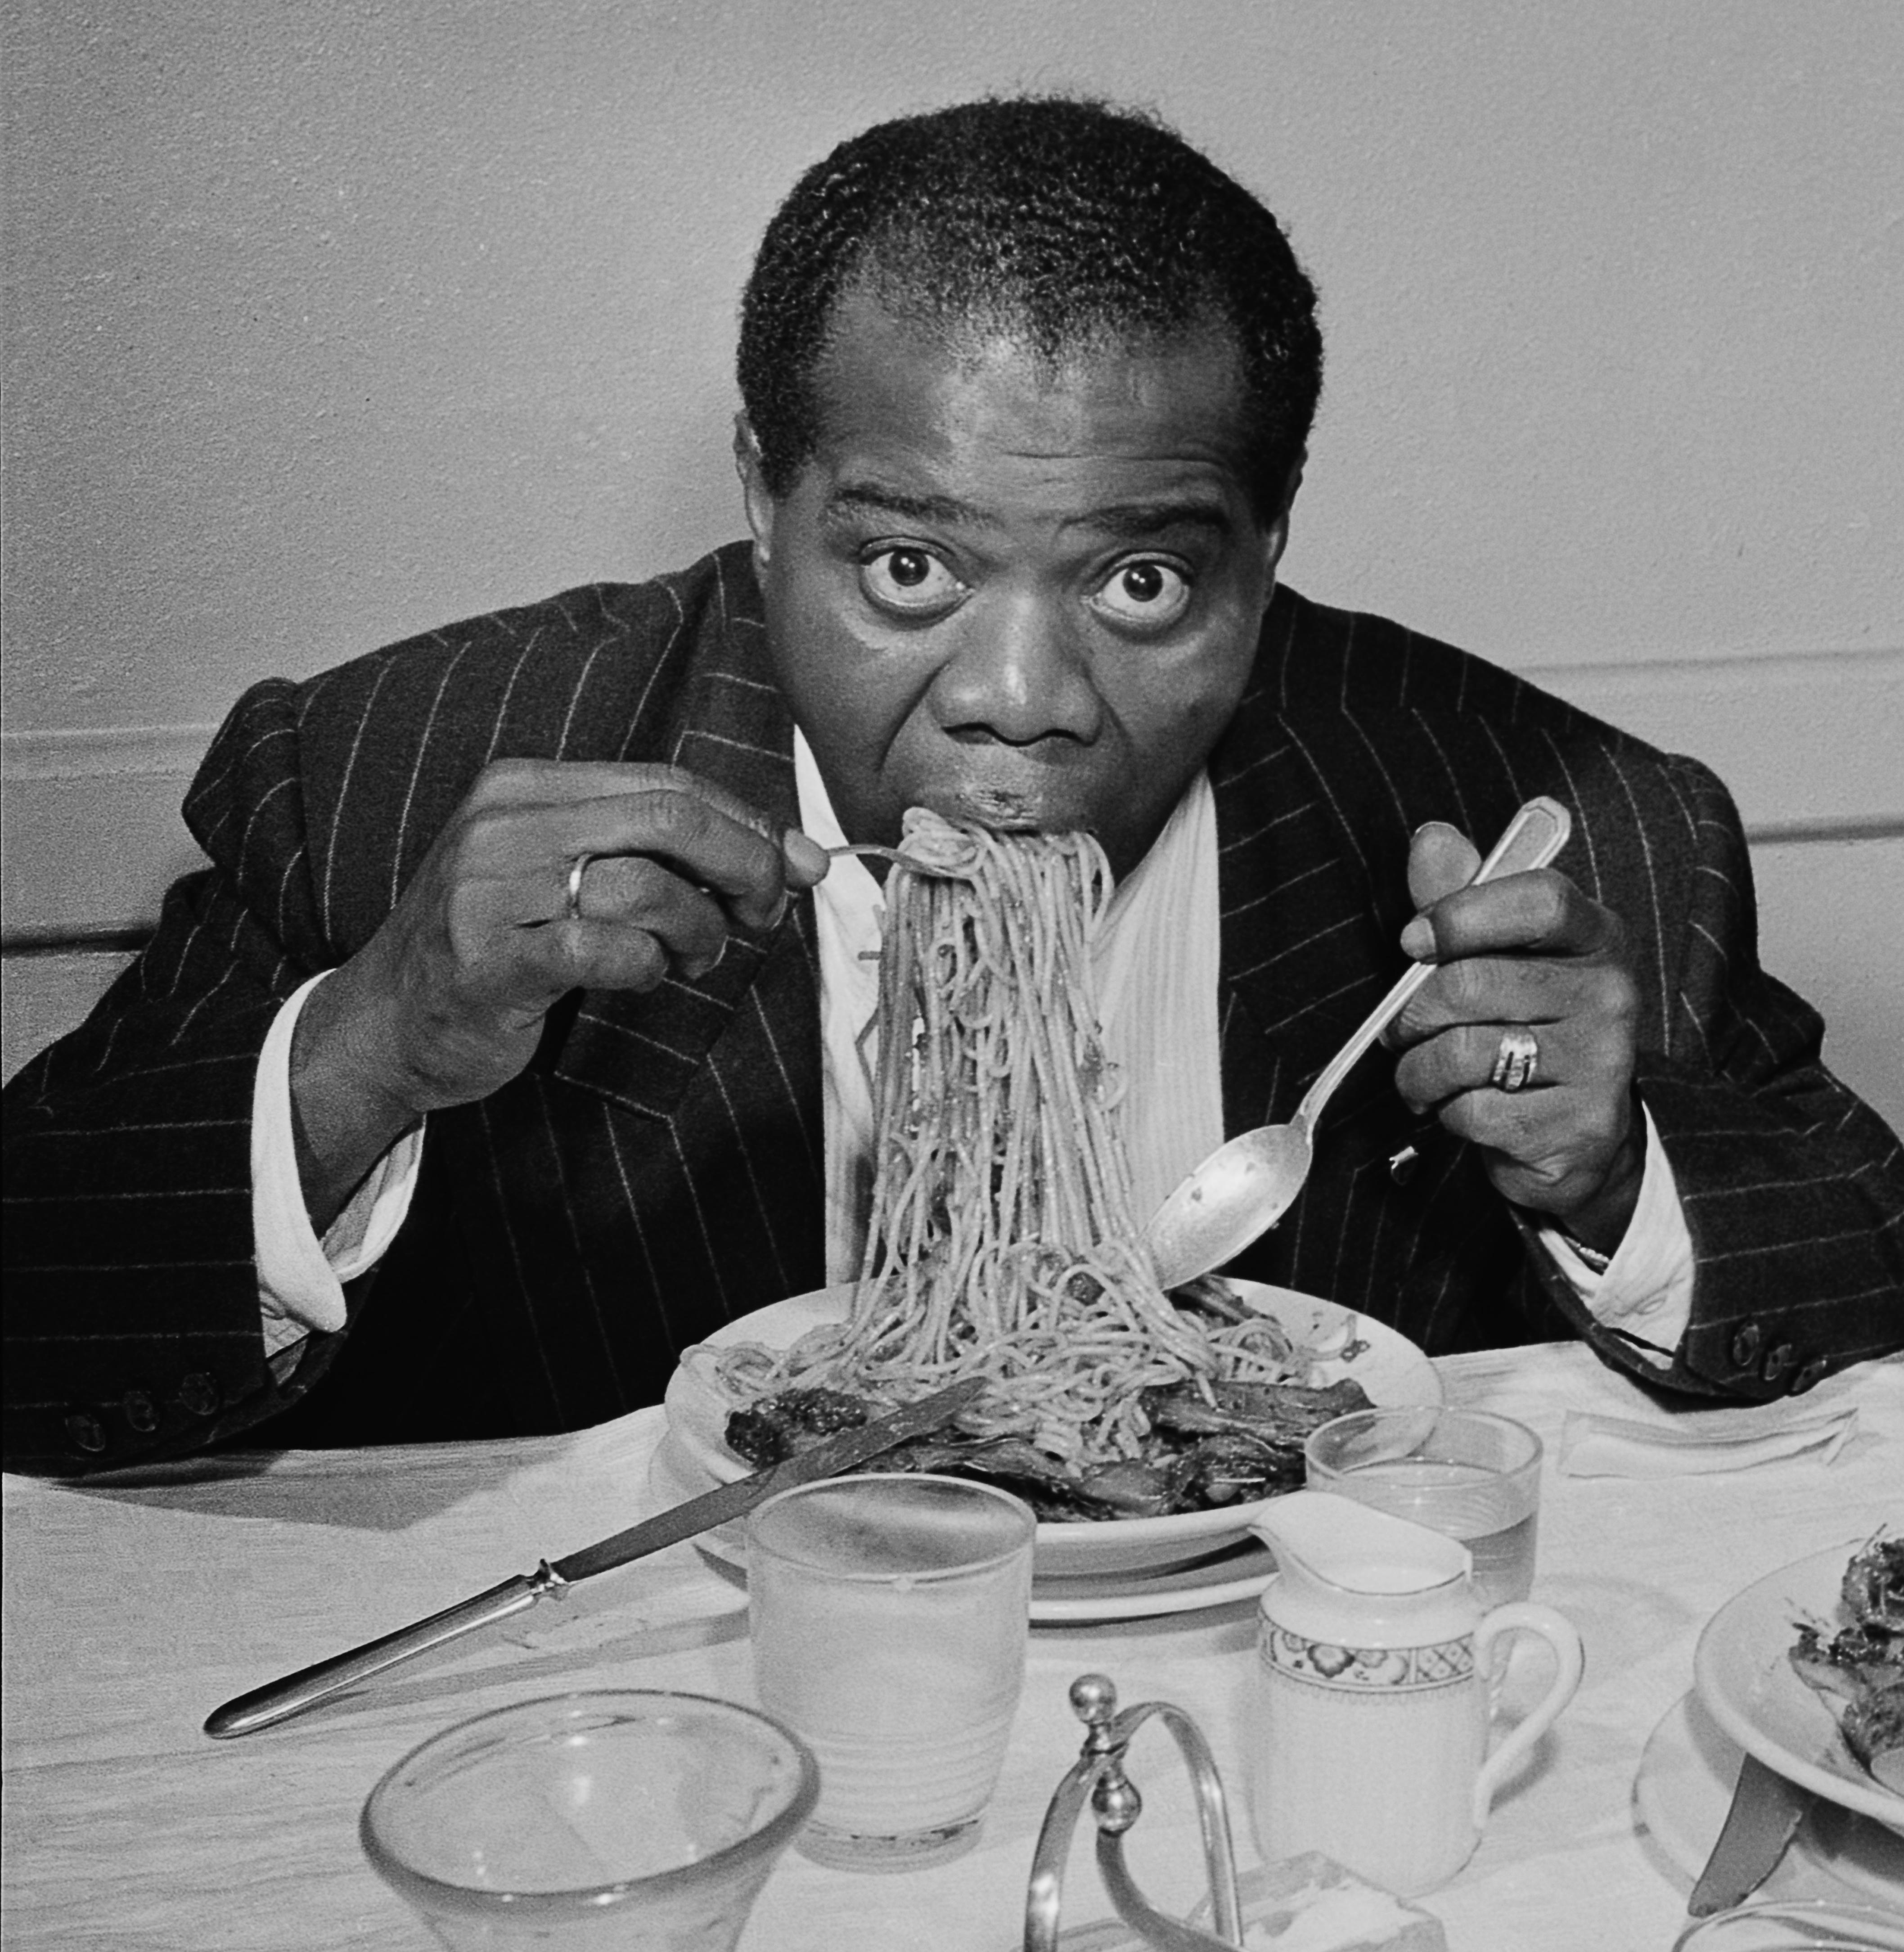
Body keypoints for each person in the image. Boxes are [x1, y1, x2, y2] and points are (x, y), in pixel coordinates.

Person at [5, 97, 1899, 1474]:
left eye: (1138, 580)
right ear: (763, 494)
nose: (1015, 701)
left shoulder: (1550, 813)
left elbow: (1861, 1270)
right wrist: (361, 1055)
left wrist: (1606, 1167)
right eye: (906, 566)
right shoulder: (378, 776)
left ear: (1262, 550)